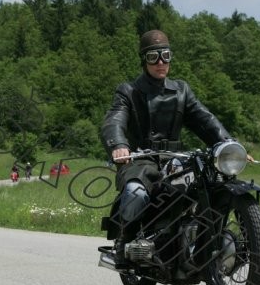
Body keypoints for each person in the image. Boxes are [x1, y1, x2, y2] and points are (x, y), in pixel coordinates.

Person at [100, 29, 234, 267]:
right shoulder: (129, 92)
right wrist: (119, 145)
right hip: (140, 159)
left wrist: (229, 145)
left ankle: (202, 241)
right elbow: (114, 120)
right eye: (153, 57)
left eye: (165, 55)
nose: (161, 62)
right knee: (135, 191)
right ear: (144, 60)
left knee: (210, 184)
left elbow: (205, 120)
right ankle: (125, 240)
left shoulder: (181, 90)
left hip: (176, 159)